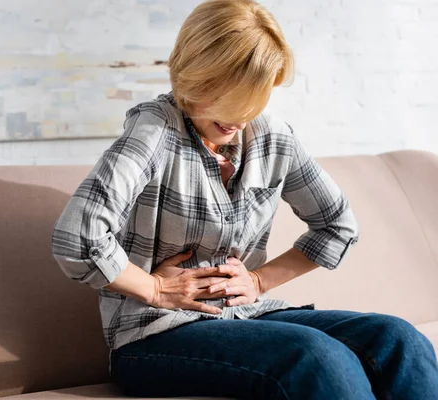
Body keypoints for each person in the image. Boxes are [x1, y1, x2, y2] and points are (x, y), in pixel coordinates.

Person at [51, 0, 438, 398]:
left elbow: (337, 224)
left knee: (399, 341)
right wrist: (153, 288)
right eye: (228, 97)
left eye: (255, 99)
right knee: (315, 356)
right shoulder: (155, 131)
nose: (240, 118)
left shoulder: (270, 136)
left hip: (248, 316)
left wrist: (257, 279)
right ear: (194, 73)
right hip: (154, 331)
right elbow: (77, 237)